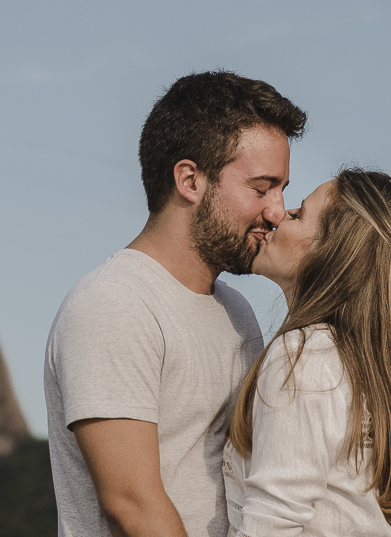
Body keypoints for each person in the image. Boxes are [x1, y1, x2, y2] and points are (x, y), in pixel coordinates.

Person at [45, 71, 307, 537]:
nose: (277, 211)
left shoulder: (237, 312)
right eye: (261, 187)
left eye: (282, 189)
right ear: (190, 180)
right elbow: (132, 506)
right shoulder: (114, 305)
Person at [225, 169, 391, 537]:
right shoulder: (361, 367)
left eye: (299, 214)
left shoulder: (303, 357)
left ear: (333, 252)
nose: (278, 215)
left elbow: (270, 525)